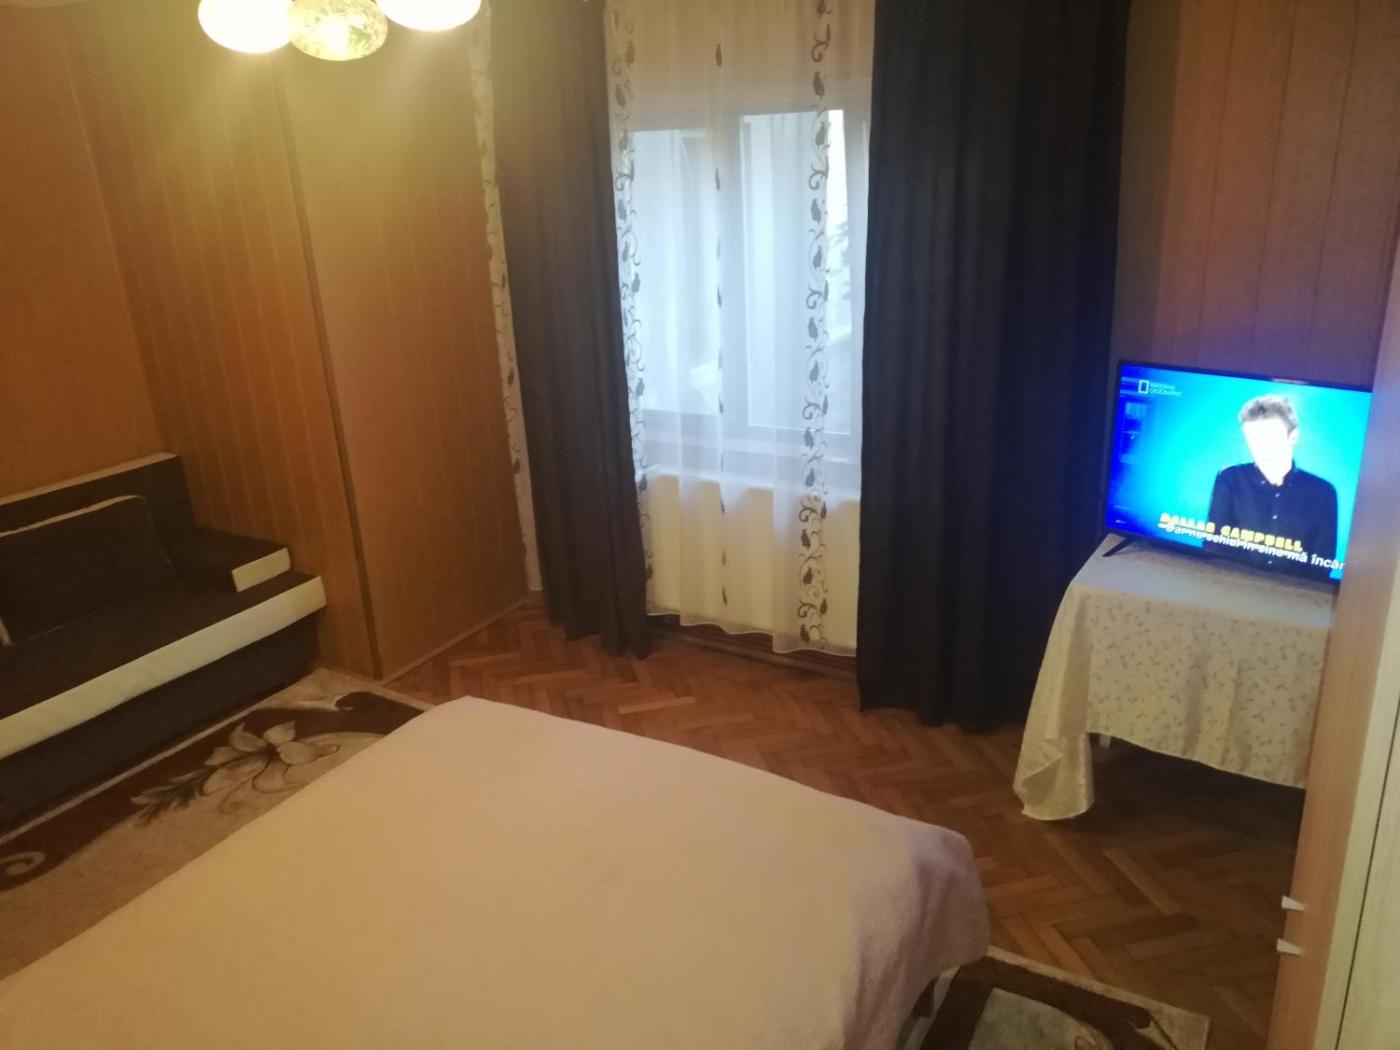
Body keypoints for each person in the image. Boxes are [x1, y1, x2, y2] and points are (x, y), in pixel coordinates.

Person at [1207, 394, 1338, 580]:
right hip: (1231, 583)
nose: (1262, 446)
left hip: (1296, 592)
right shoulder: (1230, 478)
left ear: (1293, 436)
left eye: (1271, 436)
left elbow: (1322, 563)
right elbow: (1214, 545)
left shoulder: (1323, 492)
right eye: (1254, 437)